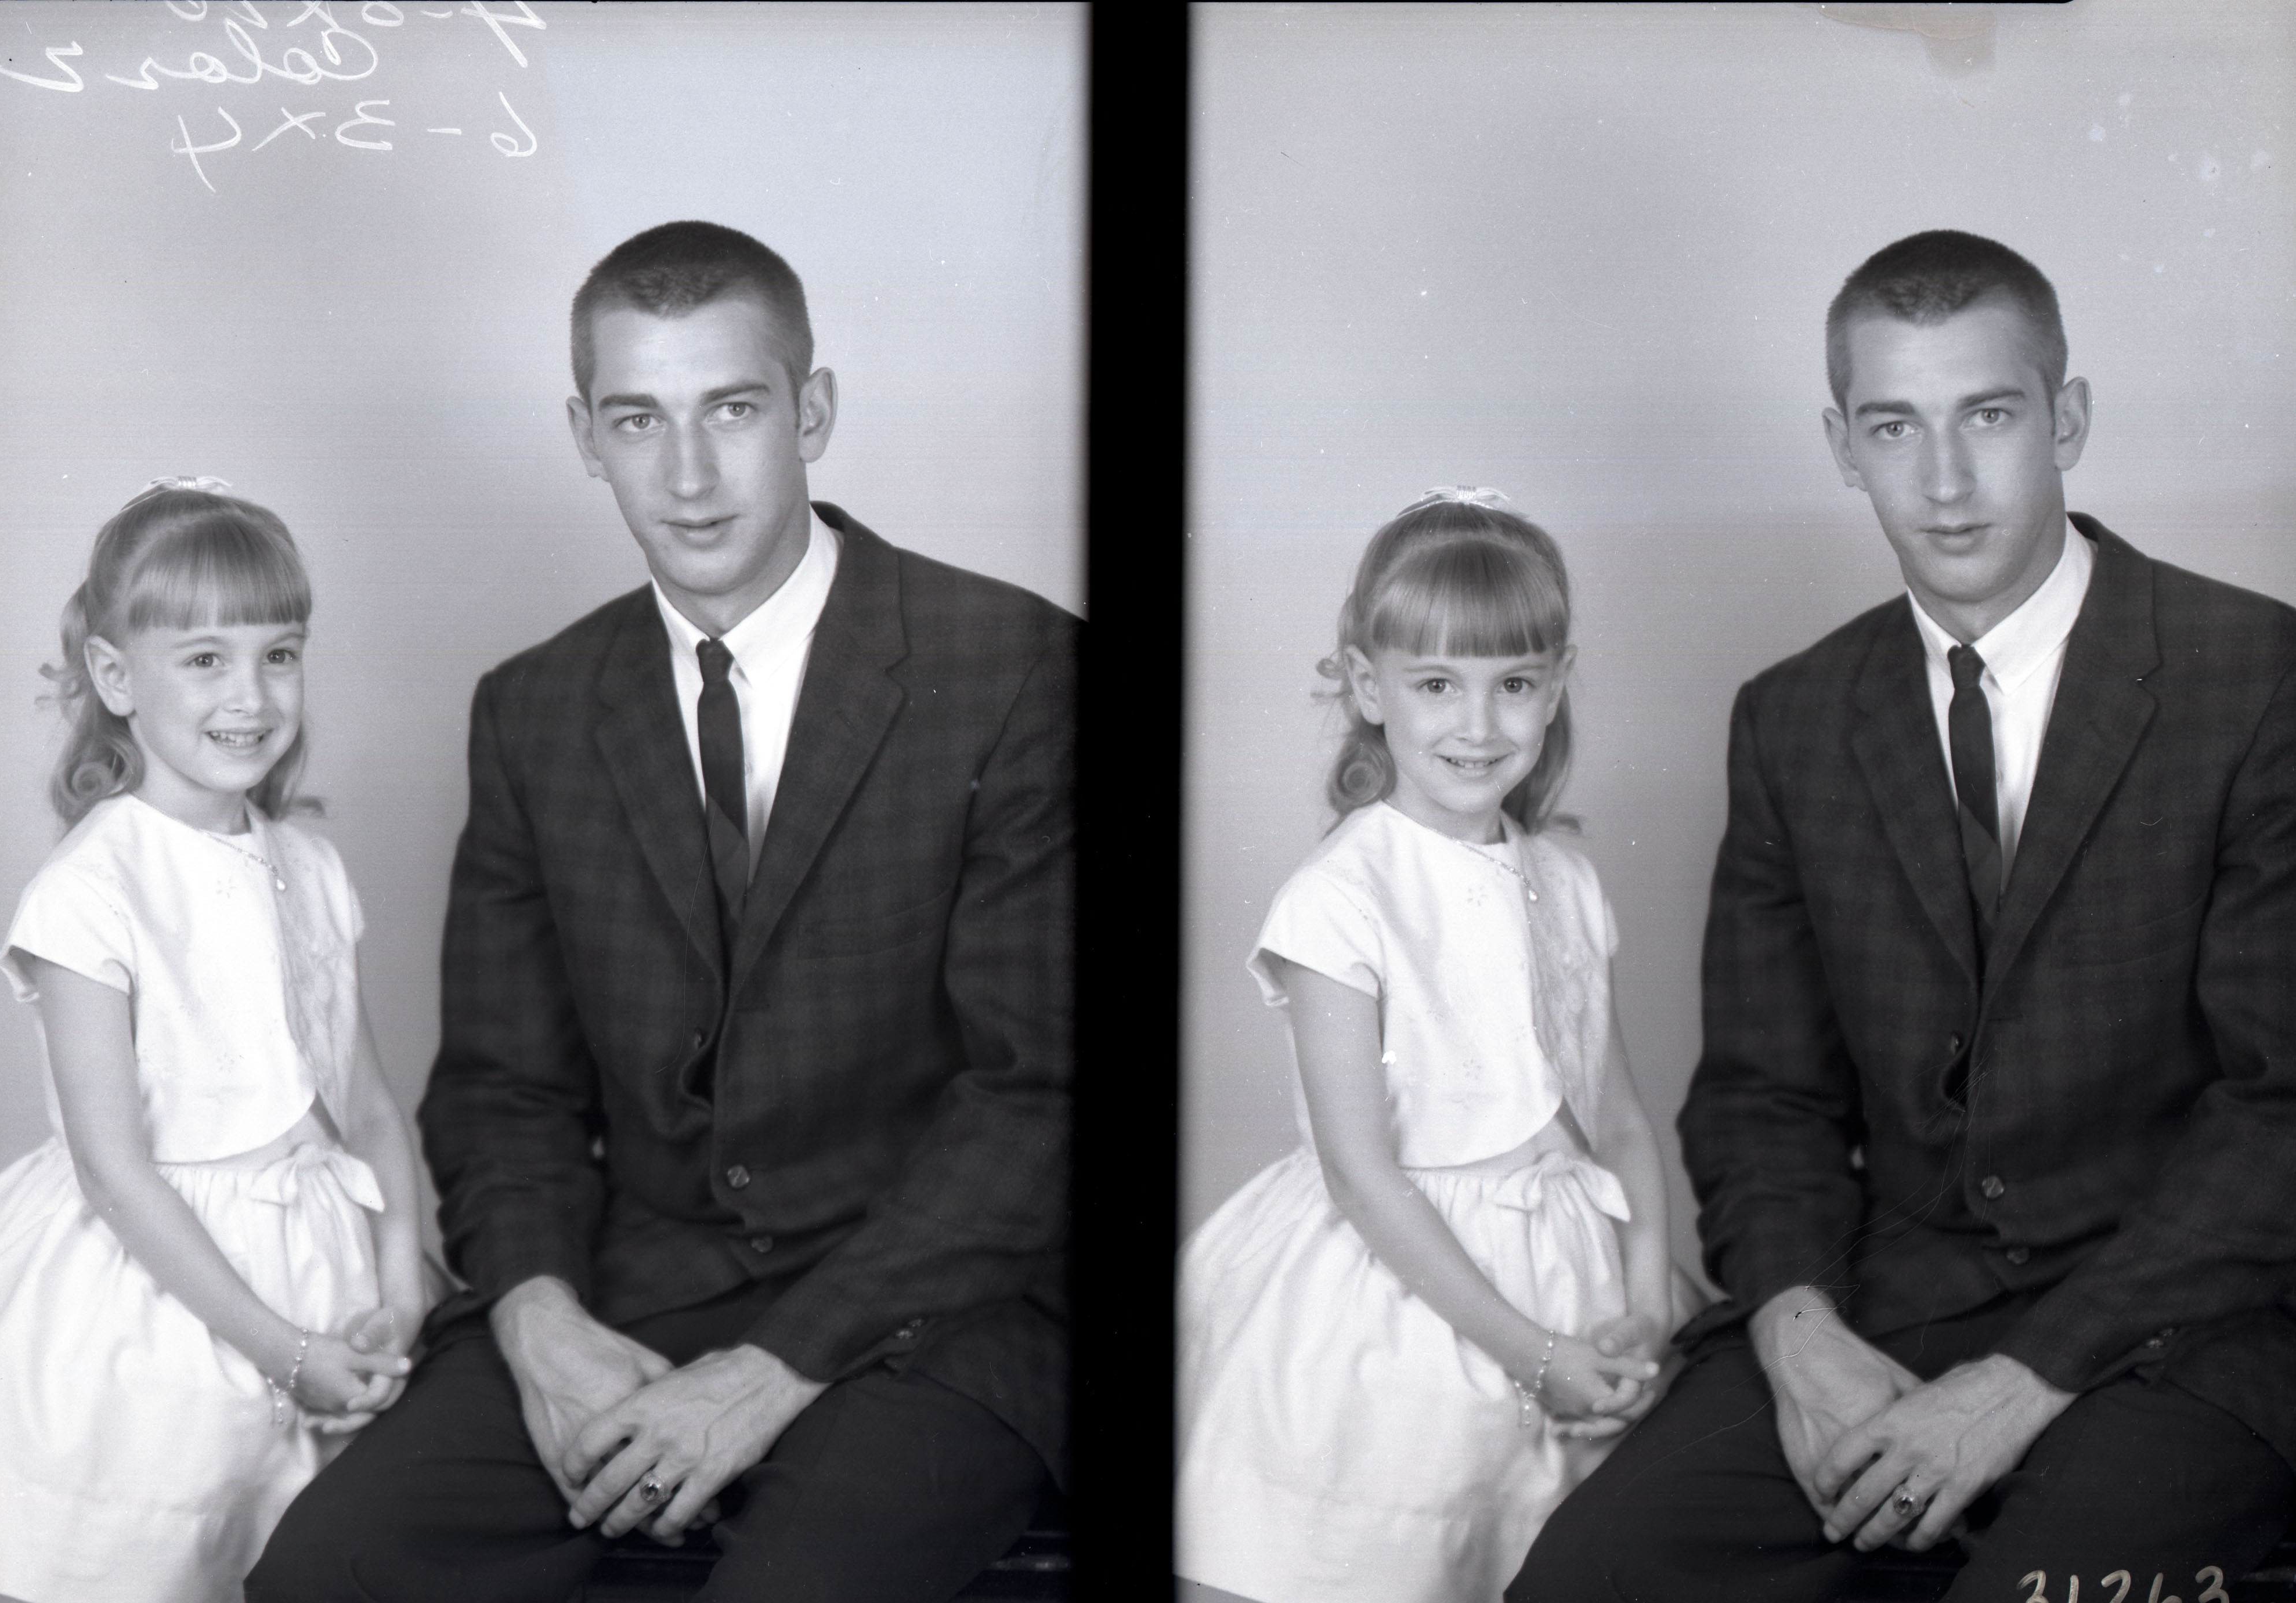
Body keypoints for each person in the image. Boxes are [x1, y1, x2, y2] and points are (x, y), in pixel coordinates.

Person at [249, 221, 1074, 1602]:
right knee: (325, 1576)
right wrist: (539, 1322)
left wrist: (774, 1369)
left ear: (812, 411)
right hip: (635, 1289)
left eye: (732, 410)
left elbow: (1041, 1097)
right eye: (639, 419)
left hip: (943, 1314)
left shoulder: (1020, 669)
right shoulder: (534, 708)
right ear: (587, 436)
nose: (687, 476)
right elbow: (504, 1088)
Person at [1515, 229, 2296, 1602]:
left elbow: (2282, 1104)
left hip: (2189, 1324)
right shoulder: (1794, 717)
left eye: (1987, 416)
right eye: (1894, 426)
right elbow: (1763, 1096)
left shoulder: (2259, 674)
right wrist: (1798, 1336)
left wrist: (2023, 1381)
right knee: (1584, 1583)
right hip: (1893, 1302)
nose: (1942, 481)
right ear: (1843, 446)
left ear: (2066, 418)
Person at [1174, 489, 1675, 1603]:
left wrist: (1644, 1304)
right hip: (1402, 1288)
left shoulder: (1568, 880)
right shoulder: (1341, 896)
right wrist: (1532, 1353)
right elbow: (1361, 1174)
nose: (1478, 724)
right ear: (1368, 686)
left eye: (1515, 684)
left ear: (1556, 684)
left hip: (1572, 1276)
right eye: (1437, 683)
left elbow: (1620, 1124)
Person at [0, 481, 427, 1603]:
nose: (251, 694)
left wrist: (402, 1282)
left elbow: (370, 1108)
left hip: (321, 1271)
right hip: (160, 1294)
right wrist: (283, 1350)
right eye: (205, 659)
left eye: (279, 655)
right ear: (115, 676)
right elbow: (114, 1172)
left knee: (300, 1566)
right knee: (154, 1561)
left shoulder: (310, 864)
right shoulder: (94, 886)